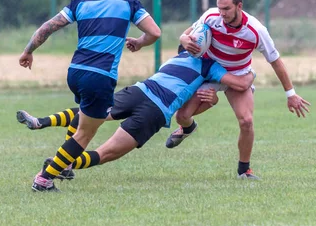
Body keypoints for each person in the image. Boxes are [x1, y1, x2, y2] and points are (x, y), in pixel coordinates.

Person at [17, 50, 256, 189]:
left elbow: (242, 84)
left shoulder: (209, 67)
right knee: (96, 126)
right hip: (144, 96)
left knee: (102, 140)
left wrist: (248, 74)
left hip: (150, 103)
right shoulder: (186, 56)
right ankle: (54, 159)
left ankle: (56, 155)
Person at [19, 0, 161, 192]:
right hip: (100, 76)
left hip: (75, 72)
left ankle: (61, 162)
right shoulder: (128, 2)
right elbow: (154, 32)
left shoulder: (81, 2)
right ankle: (44, 179)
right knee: (85, 134)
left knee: (84, 118)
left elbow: (48, 27)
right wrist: (139, 42)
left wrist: (28, 51)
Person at [167, 0, 311, 179]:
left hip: (238, 76)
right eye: (219, 8)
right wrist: (183, 39)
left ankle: (244, 171)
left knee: (246, 121)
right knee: (182, 116)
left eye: (226, 9)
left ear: (239, 6)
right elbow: (189, 33)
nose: (222, 13)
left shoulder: (256, 30)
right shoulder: (211, 17)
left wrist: (290, 94)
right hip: (209, 72)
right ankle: (187, 127)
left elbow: (275, 61)